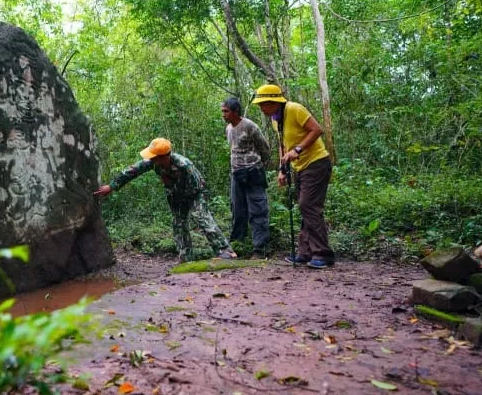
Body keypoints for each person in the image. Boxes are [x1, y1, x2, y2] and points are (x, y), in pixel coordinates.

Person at [94, 138, 238, 262]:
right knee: (179, 224)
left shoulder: (184, 165)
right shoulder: (152, 162)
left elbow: (197, 186)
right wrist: (112, 186)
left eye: (154, 157)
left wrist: (179, 192)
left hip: (194, 193)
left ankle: (225, 251)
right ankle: (185, 258)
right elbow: (132, 171)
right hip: (175, 195)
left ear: (163, 157)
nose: (151, 159)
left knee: (201, 217)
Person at [252, 84, 335, 269]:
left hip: (316, 162)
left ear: (273, 102)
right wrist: (283, 169)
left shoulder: (294, 109)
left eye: (263, 104)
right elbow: (284, 145)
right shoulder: (276, 119)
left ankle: (323, 253)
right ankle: (305, 253)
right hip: (299, 167)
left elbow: (317, 130)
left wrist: (298, 149)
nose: (261, 108)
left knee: (308, 205)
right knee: (304, 207)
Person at [221, 97, 271, 259]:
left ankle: (260, 249)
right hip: (236, 174)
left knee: (258, 210)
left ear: (236, 111)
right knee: (238, 210)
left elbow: (264, 148)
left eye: (226, 111)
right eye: (223, 111)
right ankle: (237, 246)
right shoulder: (228, 128)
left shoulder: (250, 126)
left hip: (253, 172)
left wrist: (258, 165)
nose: (223, 114)